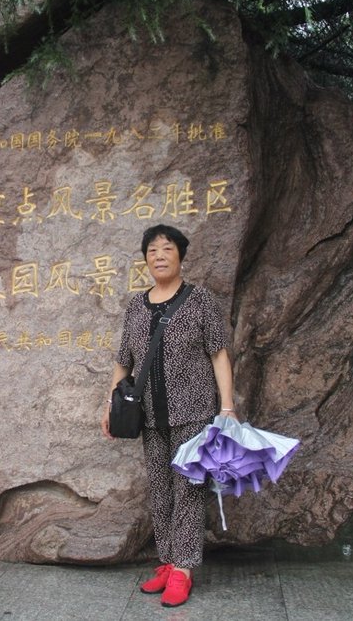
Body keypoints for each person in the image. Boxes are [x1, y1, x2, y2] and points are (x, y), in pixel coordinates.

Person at [100, 224, 235, 608]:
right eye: (152, 251)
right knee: (160, 492)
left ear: (180, 255)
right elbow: (123, 360)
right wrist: (110, 404)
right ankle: (169, 561)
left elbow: (219, 354)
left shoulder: (200, 300)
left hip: (194, 412)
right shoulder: (136, 306)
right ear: (146, 259)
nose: (159, 256)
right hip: (150, 417)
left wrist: (227, 406)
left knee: (189, 490)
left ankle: (184, 569)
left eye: (167, 248)